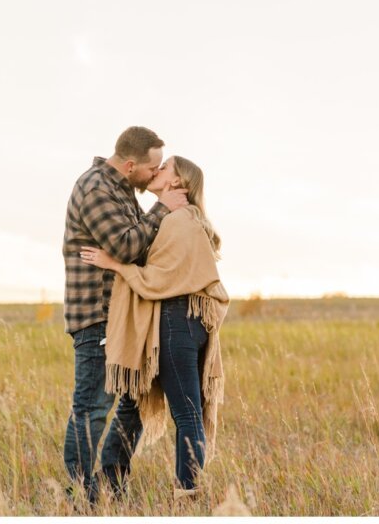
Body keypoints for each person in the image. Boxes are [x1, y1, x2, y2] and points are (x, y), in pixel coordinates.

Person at [80, 155, 229, 502]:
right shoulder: (177, 218)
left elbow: (156, 279)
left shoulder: (180, 221)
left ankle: (187, 493)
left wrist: (114, 264)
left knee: (186, 411)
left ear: (178, 184)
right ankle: (111, 484)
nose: (157, 171)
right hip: (176, 321)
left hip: (177, 321)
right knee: (133, 406)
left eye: (165, 168)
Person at [62, 126, 189, 505]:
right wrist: (163, 208)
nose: (155, 175)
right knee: (93, 407)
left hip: (126, 315)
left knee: (137, 397)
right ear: (130, 164)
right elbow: (127, 245)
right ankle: (79, 498)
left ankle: (113, 481)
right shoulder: (96, 188)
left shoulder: (121, 190)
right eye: (152, 169)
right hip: (97, 316)